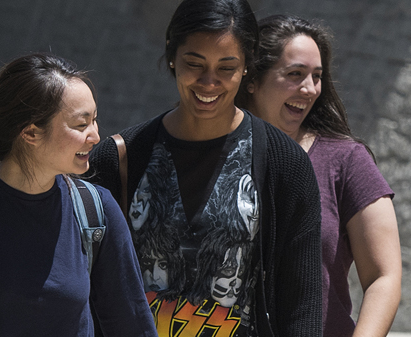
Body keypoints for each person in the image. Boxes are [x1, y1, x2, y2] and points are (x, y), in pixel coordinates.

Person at [84, 0, 323, 335]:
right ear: (172, 56)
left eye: (226, 67)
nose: (209, 82)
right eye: (194, 63)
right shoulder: (118, 159)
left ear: (246, 65)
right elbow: (81, 286)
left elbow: (302, 304)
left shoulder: (284, 164)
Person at [0, 53, 157, 336]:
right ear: (30, 132)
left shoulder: (98, 210)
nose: (95, 136)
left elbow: (132, 324)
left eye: (95, 121)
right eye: (81, 125)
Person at [236, 14, 402, 337]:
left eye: (317, 76)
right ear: (252, 79)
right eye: (295, 74)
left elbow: (384, 275)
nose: (310, 89)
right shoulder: (217, 154)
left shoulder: (347, 161)